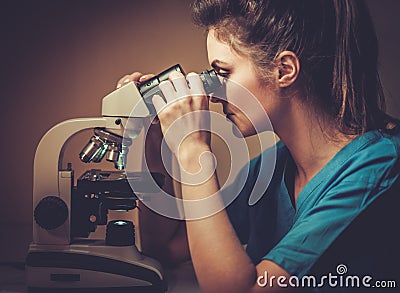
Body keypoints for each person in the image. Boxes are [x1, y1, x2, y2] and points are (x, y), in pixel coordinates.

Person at [117, 0, 400, 292]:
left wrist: (193, 152)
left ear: (284, 70)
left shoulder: (376, 169)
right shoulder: (276, 168)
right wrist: (150, 142)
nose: (212, 96)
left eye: (222, 74)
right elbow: (165, 248)